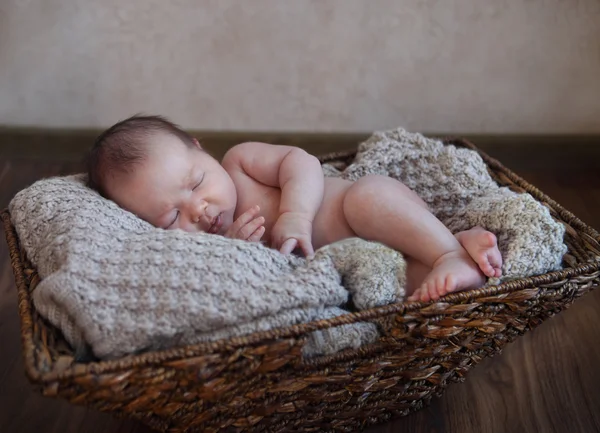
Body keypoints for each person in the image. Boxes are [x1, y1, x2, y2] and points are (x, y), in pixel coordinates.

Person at [87, 115, 502, 302]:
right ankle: (457, 256)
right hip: (359, 260)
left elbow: (299, 162)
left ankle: (446, 251)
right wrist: (234, 247)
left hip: (368, 212)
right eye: (171, 218)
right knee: (405, 283)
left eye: (196, 182)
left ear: (200, 148)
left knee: (366, 198)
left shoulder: (240, 163)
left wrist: (296, 215)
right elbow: (245, 279)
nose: (198, 209)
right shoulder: (209, 246)